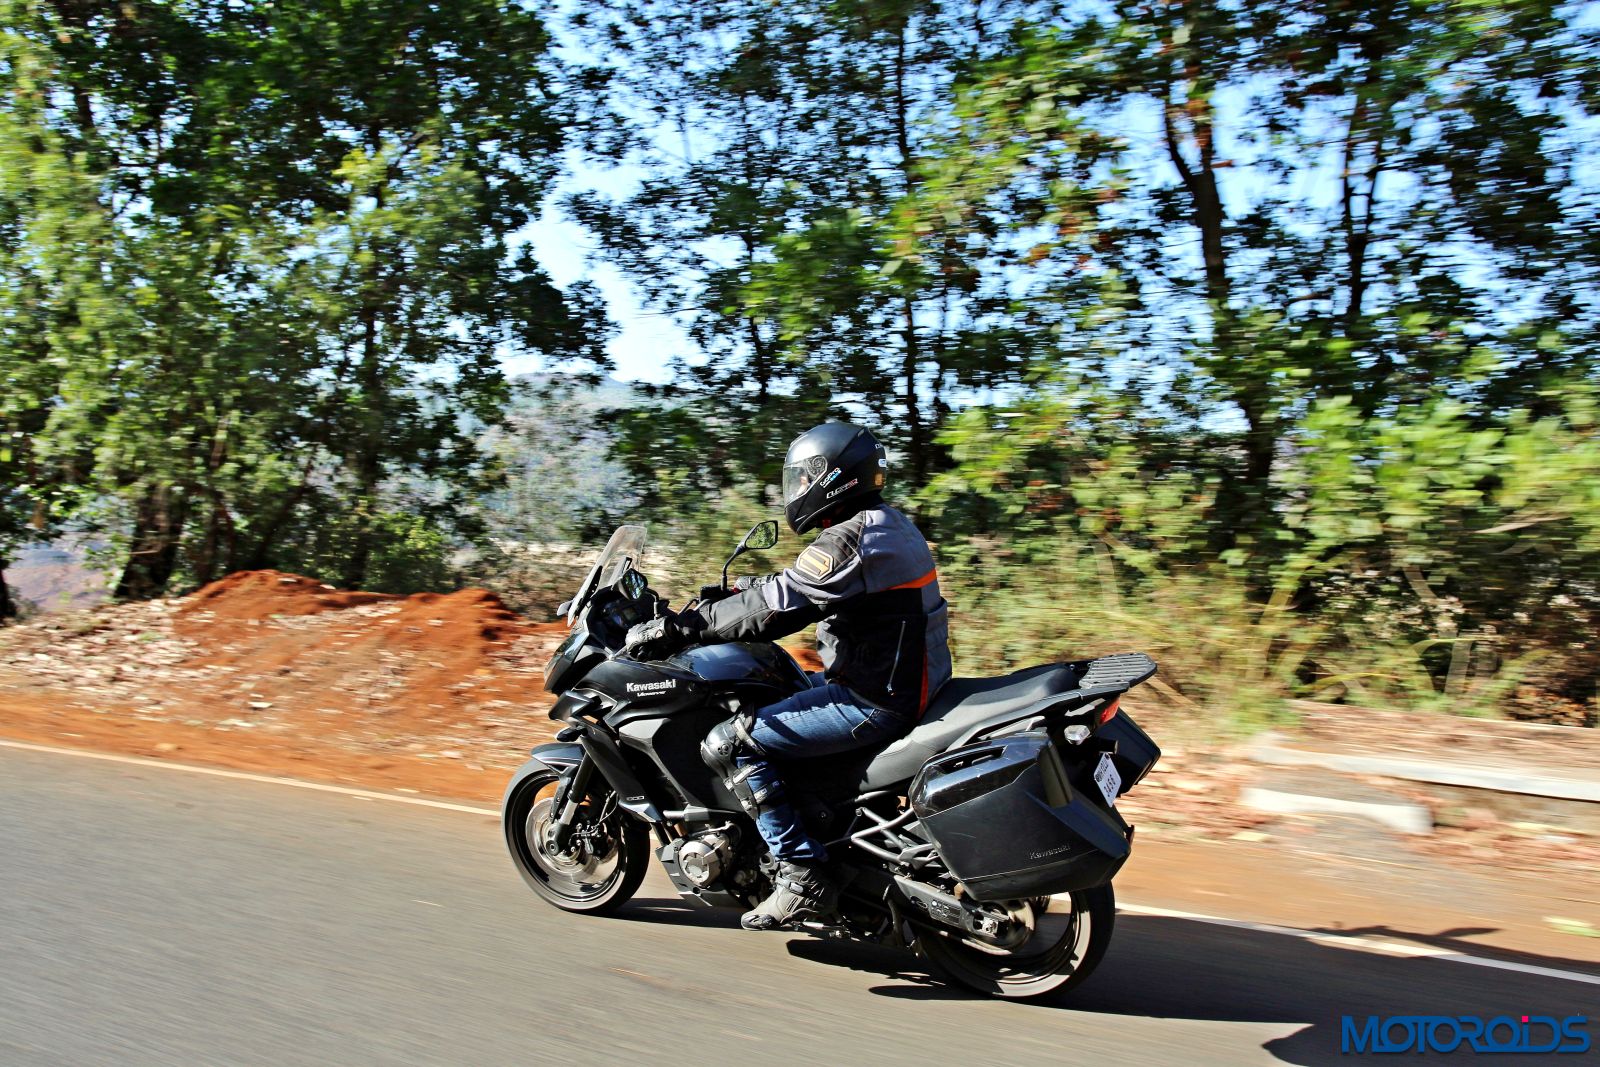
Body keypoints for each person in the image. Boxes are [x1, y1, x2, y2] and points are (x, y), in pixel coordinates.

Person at [624, 422, 951, 930]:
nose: (796, 488)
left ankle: (801, 875)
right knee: (780, 689)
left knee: (730, 743)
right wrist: (738, 593)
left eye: (802, 477)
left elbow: (780, 609)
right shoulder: (884, 524)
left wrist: (684, 626)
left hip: (873, 698)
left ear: (831, 477)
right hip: (896, 681)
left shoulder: (849, 539)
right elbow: (801, 585)